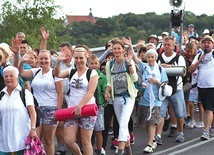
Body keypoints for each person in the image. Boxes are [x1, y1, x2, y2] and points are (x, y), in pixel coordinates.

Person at [54, 47, 99, 155]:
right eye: (76, 58)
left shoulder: (92, 73)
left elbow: (91, 92)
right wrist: (58, 61)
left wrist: (80, 106)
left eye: (81, 58)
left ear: (86, 57)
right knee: (68, 140)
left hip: (87, 109)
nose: (78, 60)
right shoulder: (71, 71)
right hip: (72, 110)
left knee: (85, 141)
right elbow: (57, 74)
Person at [18, 49, 64, 155]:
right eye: (41, 58)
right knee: (36, 138)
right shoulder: (36, 71)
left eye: (46, 58)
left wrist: (58, 111)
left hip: (51, 108)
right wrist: (22, 62)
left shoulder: (55, 73)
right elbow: (21, 73)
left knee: (48, 141)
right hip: (37, 109)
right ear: (38, 59)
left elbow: (60, 93)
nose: (43, 61)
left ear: (50, 59)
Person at [105, 39, 138, 155]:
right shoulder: (110, 64)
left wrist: (129, 63)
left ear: (123, 50)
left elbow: (135, 79)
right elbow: (109, 81)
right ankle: (129, 152)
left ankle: (120, 150)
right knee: (122, 125)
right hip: (116, 98)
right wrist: (107, 91)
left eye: (119, 48)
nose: (117, 50)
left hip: (128, 97)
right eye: (114, 49)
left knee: (123, 123)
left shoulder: (128, 61)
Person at [156, 36, 187, 143]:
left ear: (174, 46)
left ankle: (180, 133)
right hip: (162, 89)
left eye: (169, 45)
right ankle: (158, 136)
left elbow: (183, 71)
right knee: (160, 112)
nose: (167, 47)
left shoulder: (179, 58)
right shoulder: (159, 58)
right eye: (165, 45)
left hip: (176, 89)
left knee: (179, 112)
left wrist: (168, 67)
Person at [0, 66, 37, 154]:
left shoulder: (24, 93)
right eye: (6, 76)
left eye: (11, 76)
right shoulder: (1, 94)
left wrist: (33, 129)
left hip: (21, 135)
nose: (8, 78)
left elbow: (32, 113)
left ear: (17, 77)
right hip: (4, 136)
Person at [138, 49, 168, 153]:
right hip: (144, 99)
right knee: (147, 122)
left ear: (155, 58)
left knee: (152, 122)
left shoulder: (160, 69)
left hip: (156, 100)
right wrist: (130, 47)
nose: (150, 59)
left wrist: (155, 81)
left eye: (152, 57)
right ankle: (153, 139)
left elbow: (164, 84)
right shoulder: (144, 67)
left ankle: (149, 144)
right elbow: (134, 59)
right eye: (148, 57)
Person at [189, 35, 214, 140]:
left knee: (209, 109)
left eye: (209, 42)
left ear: (212, 45)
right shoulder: (199, 55)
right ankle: (212, 127)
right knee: (209, 109)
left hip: (212, 86)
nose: (206, 44)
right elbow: (190, 70)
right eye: (204, 42)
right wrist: (199, 61)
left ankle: (206, 131)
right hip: (201, 86)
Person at [88, 54, 107, 155]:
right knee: (87, 130)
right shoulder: (85, 75)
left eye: (96, 63)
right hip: (87, 105)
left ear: (99, 64)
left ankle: (100, 149)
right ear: (88, 64)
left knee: (98, 129)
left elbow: (105, 89)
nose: (93, 66)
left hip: (98, 106)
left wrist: (106, 97)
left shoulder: (102, 77)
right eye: (91, 63)